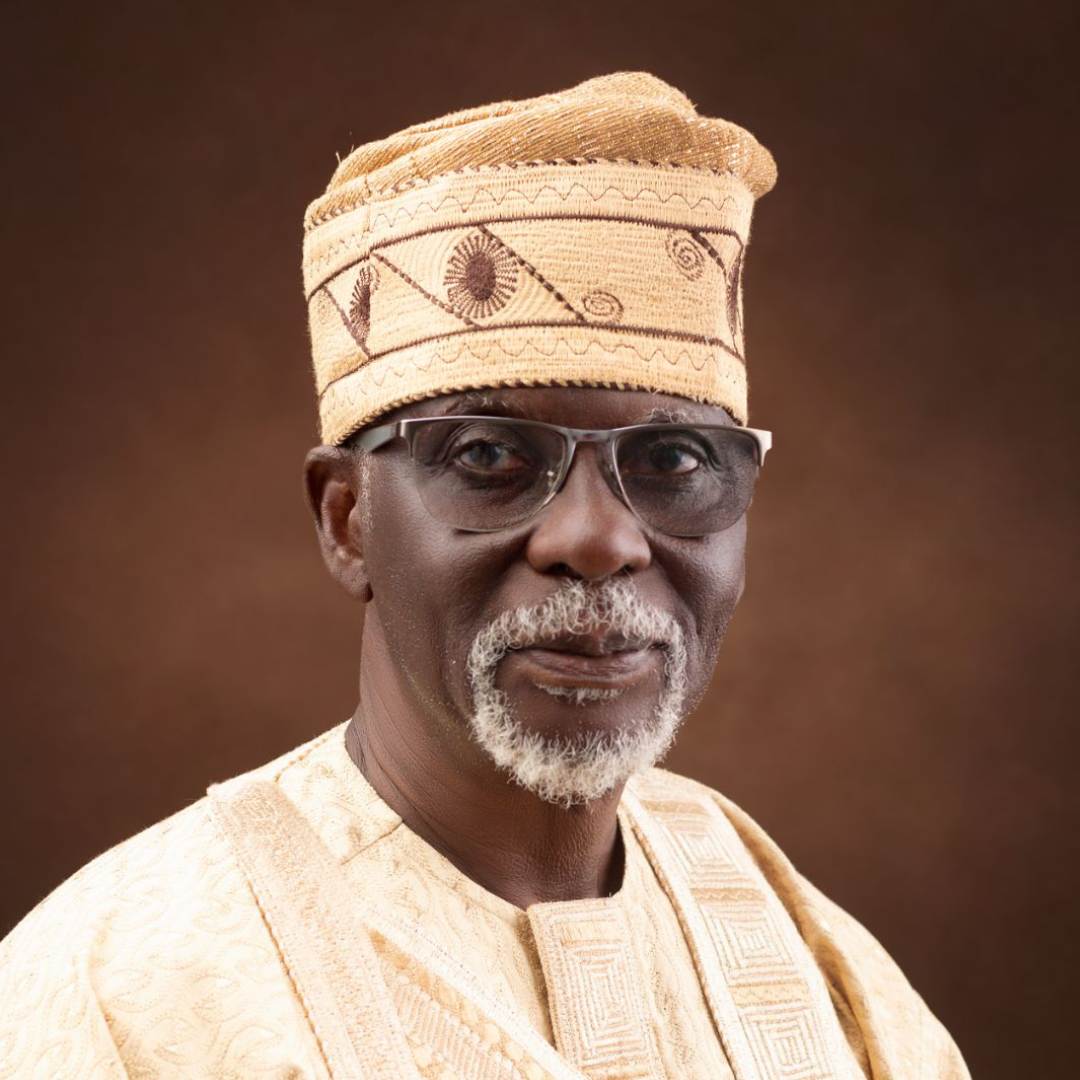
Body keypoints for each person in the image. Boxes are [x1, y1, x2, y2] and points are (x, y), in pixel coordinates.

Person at [0, 71, 970, 1079]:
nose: (599, 540)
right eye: (490, 456)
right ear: (347, 518)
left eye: (674, 460)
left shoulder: (807, 958)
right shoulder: (115, 990)